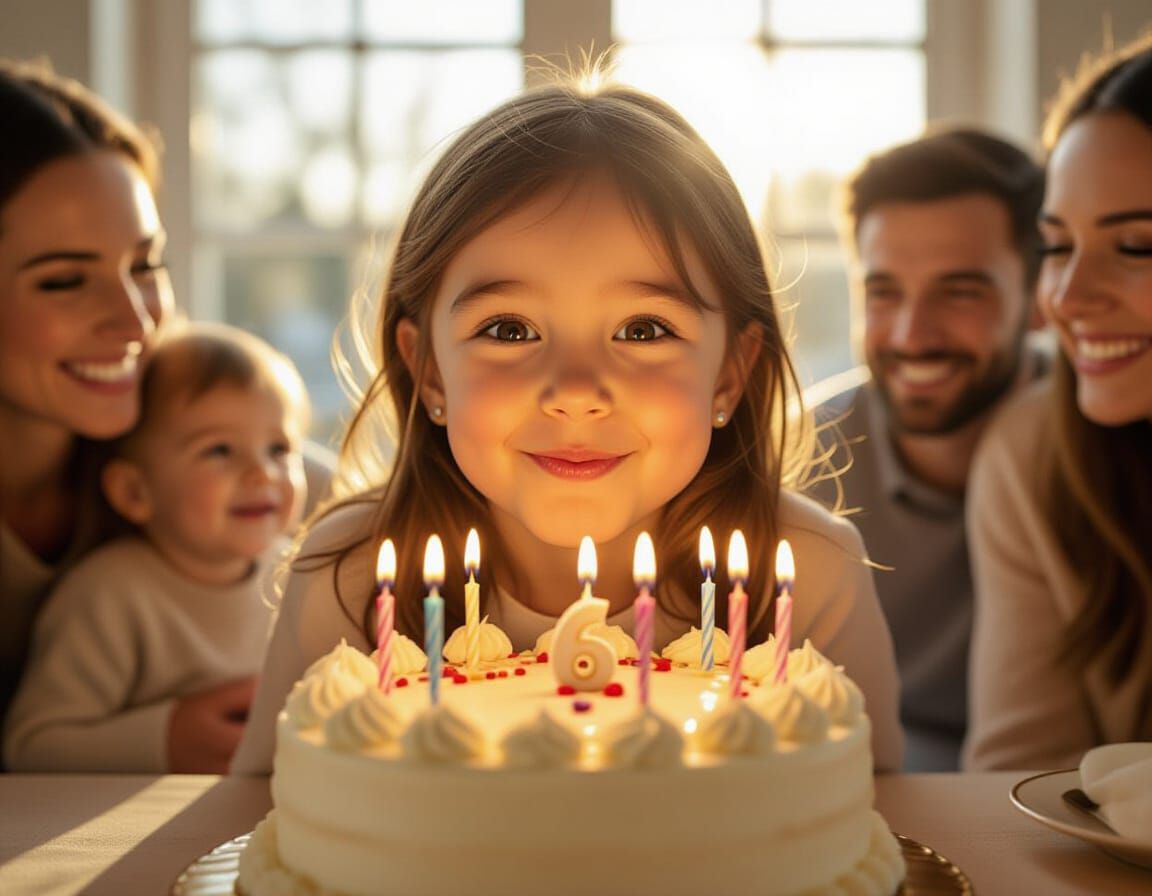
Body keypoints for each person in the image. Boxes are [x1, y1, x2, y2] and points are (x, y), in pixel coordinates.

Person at [231, 78, 904, 775]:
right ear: (428, 369)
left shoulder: (807, 572)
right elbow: (261, 807)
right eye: (510, 329)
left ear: (729, 375)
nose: (577, 393)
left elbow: (875, 812)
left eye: (644, 330)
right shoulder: (354, 572)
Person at [0, 59, 334, 747]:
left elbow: (337, 495)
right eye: (65, 281)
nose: (134, 321)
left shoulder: (173, 424)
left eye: (146, 266)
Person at [804, 129, 1047, 771]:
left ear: (1040, 292)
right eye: (883, 292)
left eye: (960, 291)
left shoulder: (1105, 443)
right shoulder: (799, 463)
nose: (914, 334)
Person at [964, 35, 1152, 770]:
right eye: (1057, 247)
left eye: (1136, 245)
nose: (1066, 300)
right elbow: (1021, 785)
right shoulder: (1034, 456)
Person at [3, 323, 309, 773]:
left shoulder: (300, 572)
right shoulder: (109, 594)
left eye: (278, 448)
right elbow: (31, 746)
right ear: (134, 492)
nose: (263, 474)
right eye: (220, 450)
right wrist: (166, 738)